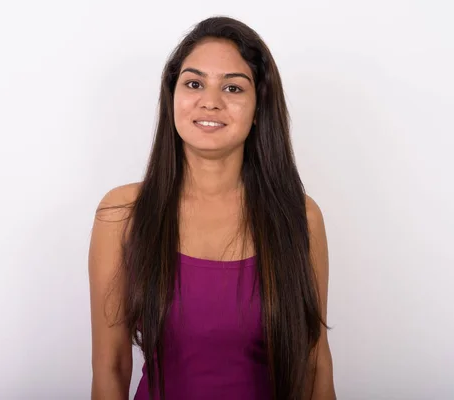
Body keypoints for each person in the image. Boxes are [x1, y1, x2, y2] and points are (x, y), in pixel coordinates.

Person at [88, 16, 336, 400]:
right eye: (194, 83)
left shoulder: (300, 218)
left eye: (233, 87)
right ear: (172, 97)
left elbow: (315, 364)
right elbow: (111, 366)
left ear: (258, 109)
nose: (210, 101)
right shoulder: (121, 213)